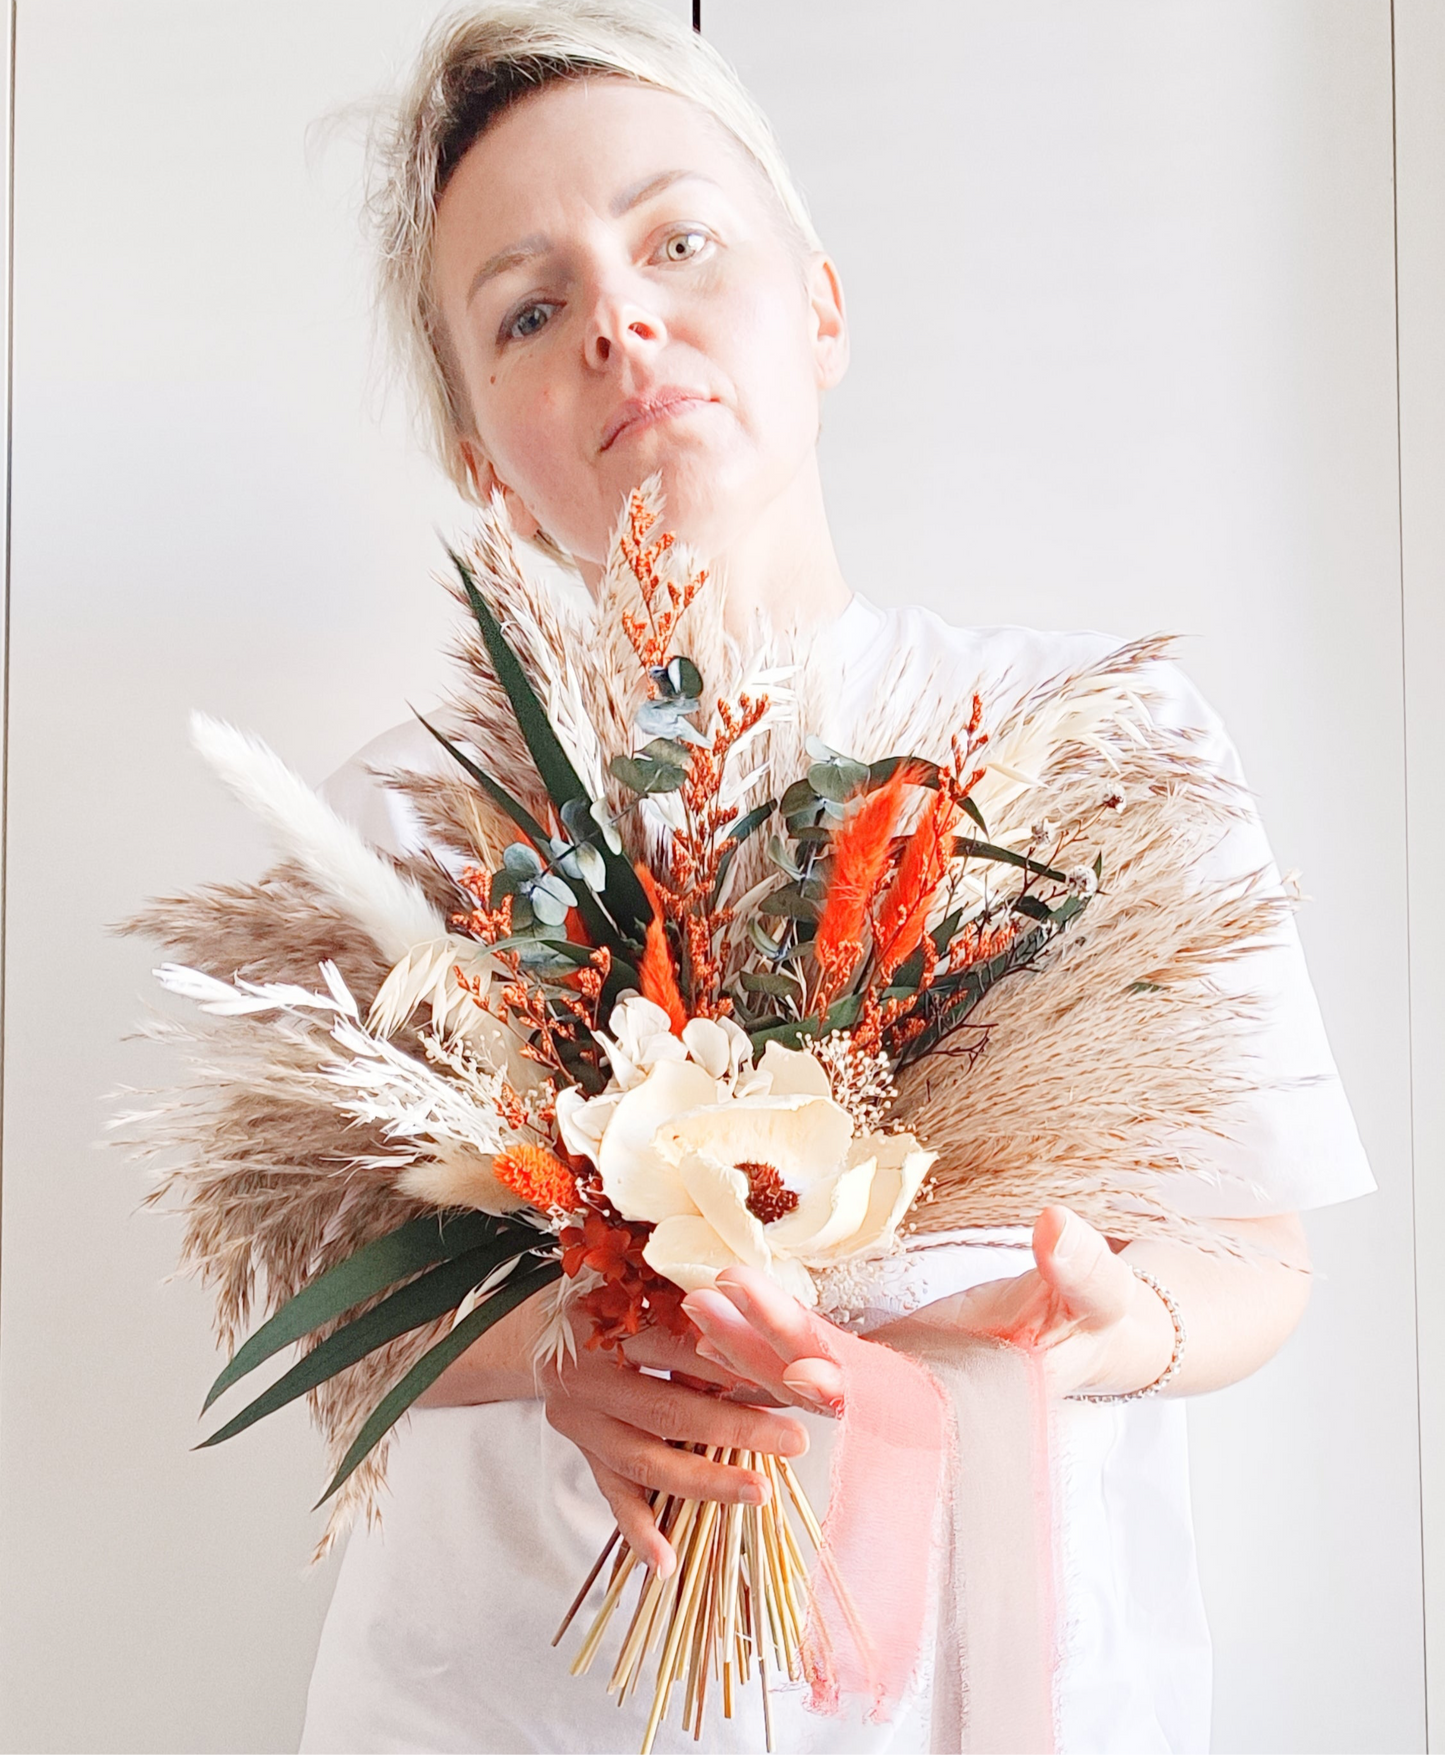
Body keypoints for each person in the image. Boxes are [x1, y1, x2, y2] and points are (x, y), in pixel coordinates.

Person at [301, 4, 1375, 1750]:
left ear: (820, 302)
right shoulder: (399, 832)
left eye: (678, 239)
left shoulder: (1096, 739)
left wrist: (1105, 1328)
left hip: (987, 1679)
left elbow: (1260, 1253)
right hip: (520, 1696)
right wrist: (568, 1344)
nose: (620, 319)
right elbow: (320, 1319)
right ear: (481, 458)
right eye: (529, 305)